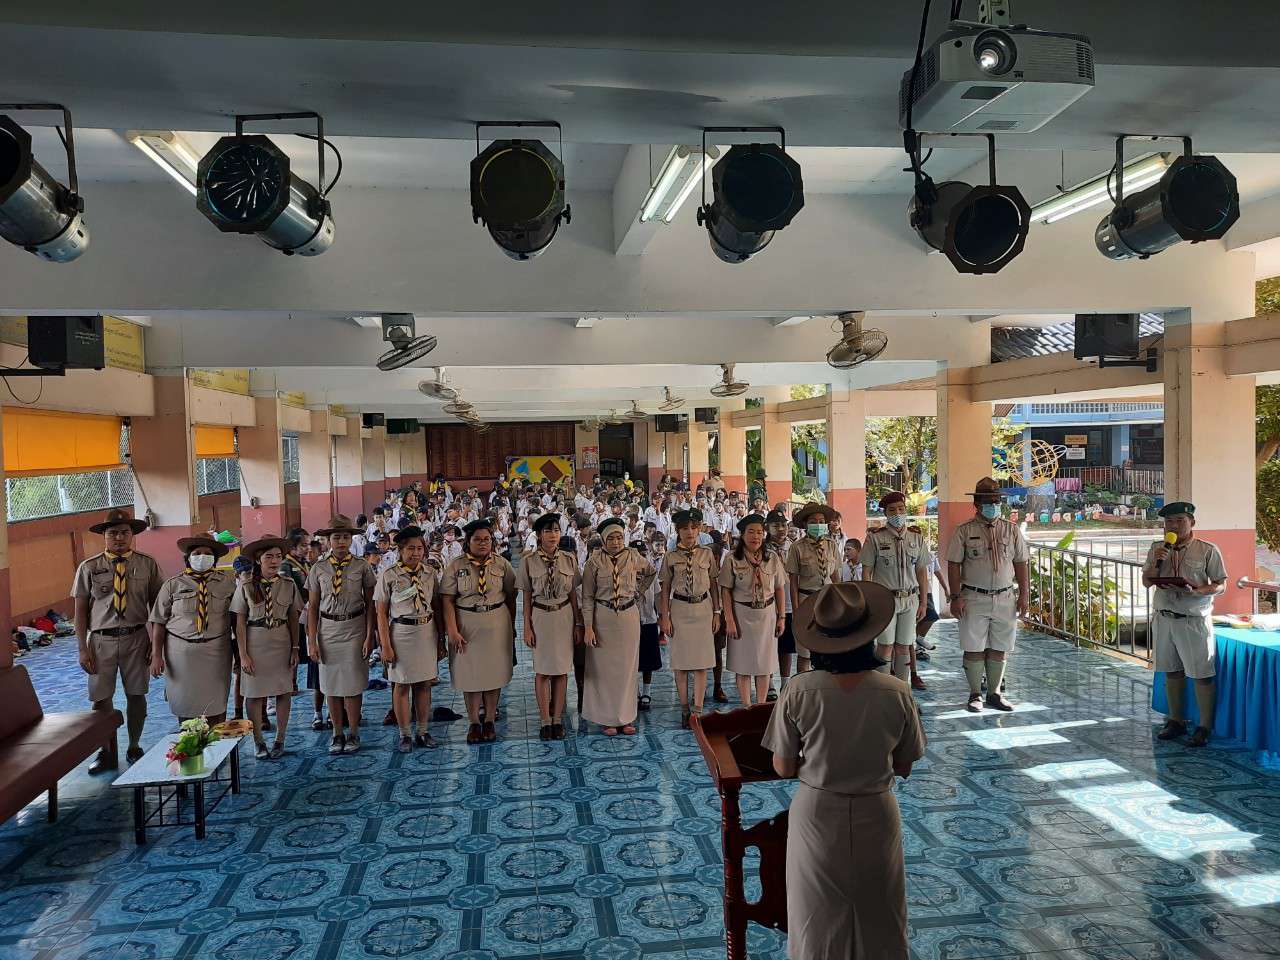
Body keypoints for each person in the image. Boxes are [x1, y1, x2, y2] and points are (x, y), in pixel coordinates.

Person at [763, 581, 925, 960]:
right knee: (880, 912)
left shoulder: (798, 690)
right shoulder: (896, 691)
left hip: (818, 813)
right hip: (876, 810)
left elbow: (783, 766)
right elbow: (905, 764)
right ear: (869, 635)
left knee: (816, 916)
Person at [72, 509, 165, 773]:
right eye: (113, 533)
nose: (119, 538)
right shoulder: (89, 567)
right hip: (101, 641)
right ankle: (106, 750)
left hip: (136, 638)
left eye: (125, 532)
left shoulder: (147, 564)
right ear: (104, 536)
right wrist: (82, 649)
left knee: (137, 694)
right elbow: (80, 611)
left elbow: (158, 608)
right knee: (101, 699)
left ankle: (134, 745)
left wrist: (155, 645)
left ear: (132, 535)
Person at [1142, 501, 1226, 747]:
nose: (1174, 525)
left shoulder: (1207, 550)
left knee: (1201, 674)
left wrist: (1198, 591)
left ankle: (1204, 727)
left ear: (1192, 523)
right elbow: (1147, 581)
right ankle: (1175, 721)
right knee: (1171, 670)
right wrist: (1156, 564)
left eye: (1180, 520)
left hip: (1193, 619)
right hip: (1164, 617)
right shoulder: (1157, 548)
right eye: (1169, 521)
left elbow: (1221, 584)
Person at [945, 477, 1029, 713]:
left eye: (996, 501)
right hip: (973, 596)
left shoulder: (1011, 530)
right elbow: (953, 564)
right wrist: (955, 597)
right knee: (974, 647)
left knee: (1000, 647)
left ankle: (995, 693)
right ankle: (975, 694)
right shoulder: (964, 531)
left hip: (1005, 596)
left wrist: (1024, 594)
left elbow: (1021, 562)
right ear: (977, 504)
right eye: (988, 501)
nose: (993, 505)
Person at [440, 518, 517, 744]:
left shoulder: (502, 564)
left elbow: (511, 596)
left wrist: (510, 625)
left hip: (496, 623)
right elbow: (447, 600)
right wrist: (452, 630)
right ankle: (474, 722)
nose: (483, 543)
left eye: (487, 539)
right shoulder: (456, 566)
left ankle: (490, 719)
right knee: (470, 675)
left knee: (494, 673)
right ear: (468, 542)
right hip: (466, 624)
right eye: (477, 539)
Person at [306, 515, 377, 754]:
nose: (341, 542)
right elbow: (313, 607)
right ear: (328, 540)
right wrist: (312, 641)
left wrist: (369, 636)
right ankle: (337, 733)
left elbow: (371, 604)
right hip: (328, 630)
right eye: (336, 537)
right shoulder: (318, 568)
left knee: (353, 685)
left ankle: (353, 732)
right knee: (331, 686)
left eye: (346, 537)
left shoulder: (362, 566)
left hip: (355, 628)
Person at [148, 535, 236, 726]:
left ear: (215, 558)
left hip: (216, 652)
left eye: (208, 553)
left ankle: (216, 741)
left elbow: (237, 620)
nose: (202, 557)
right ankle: (189, 740)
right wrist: (156, 655)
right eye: (197, 553)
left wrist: (240, 654)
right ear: (188, 558)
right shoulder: (173, 584)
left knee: (216, 703)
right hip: (181, 653)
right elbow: (158, 622)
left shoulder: (227, 583)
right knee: (185, 703)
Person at [581, 517, 656, 736]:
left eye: (619, 538)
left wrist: (638, 591)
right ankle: (608, 718)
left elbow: (651, 572)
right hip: (603, 617)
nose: (616, 542)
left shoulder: (632, 556)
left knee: (627, 668)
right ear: (604, 540)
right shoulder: (594, 562)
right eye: (611, 538)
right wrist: (588, 627)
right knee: (605, 670)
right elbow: (587, 597)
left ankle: (626, 717)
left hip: (628, 616)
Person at [232, 537, 303, 759]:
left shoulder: (288, 584)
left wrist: (295, 648)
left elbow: (293, 617)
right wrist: (243, 654)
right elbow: (239, 622)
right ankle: (259, 741)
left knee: (283, 690)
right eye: (269, 557)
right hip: (255, 641)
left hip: (281, 640)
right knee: (254, 693)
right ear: (258, 560)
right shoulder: (246, 585)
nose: (274, 561)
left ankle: (280, 739)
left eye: (278, 557)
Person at [375, 525, 444, 751]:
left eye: (419, 548)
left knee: (424, 684)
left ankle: (423, 731)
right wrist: (385, 645)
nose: (416, 553)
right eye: (410, 549)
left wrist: (441, 639)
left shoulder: (429, 573)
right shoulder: (389, 574)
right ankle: (404, 733)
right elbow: (381, 613)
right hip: (401, 633)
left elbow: (437, 606)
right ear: (401, 550)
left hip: (426, 631)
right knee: (402, 685)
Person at [516, 513, 582, 740]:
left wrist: (578, 623)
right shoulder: (528, 561)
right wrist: (527, 627)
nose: (553, 535)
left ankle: (557, 719)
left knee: (562, 670)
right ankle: (545, 720)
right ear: (539, 535)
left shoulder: (569, 559)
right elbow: (526, 597)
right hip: (541, 616)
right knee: (543, 671)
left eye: (556, 530)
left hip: (563, 615)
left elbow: (573, 594)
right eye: (547, 531)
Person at [660, 510, 722, 727]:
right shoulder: (670, 556)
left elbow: (713, 585)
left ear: (699, 529)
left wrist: (717, 613)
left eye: (694, 528)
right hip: (679, 608)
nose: (690, 532)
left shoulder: (707, 554)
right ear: (678, 531)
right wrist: (665, 617)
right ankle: (684, 708)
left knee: (701, 663)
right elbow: (665, 588)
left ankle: (697, 710)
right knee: (681, 663)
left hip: (703, 608)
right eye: (685, 528)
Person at [861, 492, 930, 683]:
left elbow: (922, 572)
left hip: (910, 598)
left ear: (906, 510)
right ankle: (884, 689)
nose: (897, 513)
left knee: (904, 646)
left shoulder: (916, 538)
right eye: (892, 510)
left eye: (901, 509)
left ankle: (901, 688)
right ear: (885, 513)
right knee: (885, 646)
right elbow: (866, 572)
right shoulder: (875, 538)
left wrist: (924, 602)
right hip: (885, 600)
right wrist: (870, 601)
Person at [721, 514, 786, 705]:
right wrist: (729, 620)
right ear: (742, 535)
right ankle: (746, 706)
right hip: (741, 615)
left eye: (759, 532)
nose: (756, 536)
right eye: (751, 532)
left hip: (767, 615)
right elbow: (726, 591)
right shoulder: (732, 558)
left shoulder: (771, 557)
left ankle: (760, 705)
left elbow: (779, 588)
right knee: (743, 665)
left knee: (764, 665)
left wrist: (781, 617)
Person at [784, 503, 840, 675]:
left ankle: (825, 684)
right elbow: (793, 581)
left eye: (821, 521)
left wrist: (840, 600)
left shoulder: (831, 545)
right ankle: (805, 684)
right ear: (805, 524)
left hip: (828, 601)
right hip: (806, 600)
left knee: (828, 647)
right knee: (805, 651)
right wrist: (796, 610)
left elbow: (835, 575)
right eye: (813, 521)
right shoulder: (797, 547)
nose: (818, 524)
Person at [765, 509, 794, 700]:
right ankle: (768, 684)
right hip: (767, 604)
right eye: (776, 525)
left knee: (786, 646)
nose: (781, 529)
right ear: (767, 527)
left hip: (789, 603)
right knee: (767, 646)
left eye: (783, 525)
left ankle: (785, 682)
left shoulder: (794, 546)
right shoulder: (762, 548)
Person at [636, 540, 663, 711]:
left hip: (649, 620)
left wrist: (661, 617)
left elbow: (658, 596)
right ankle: (635, 691)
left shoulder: (651, 574)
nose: (641, 558)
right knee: (632, 659)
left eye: (644, 554)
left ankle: (646, 692)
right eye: (638, 554)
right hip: (631, 623)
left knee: (649, 661)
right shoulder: (625, 573)